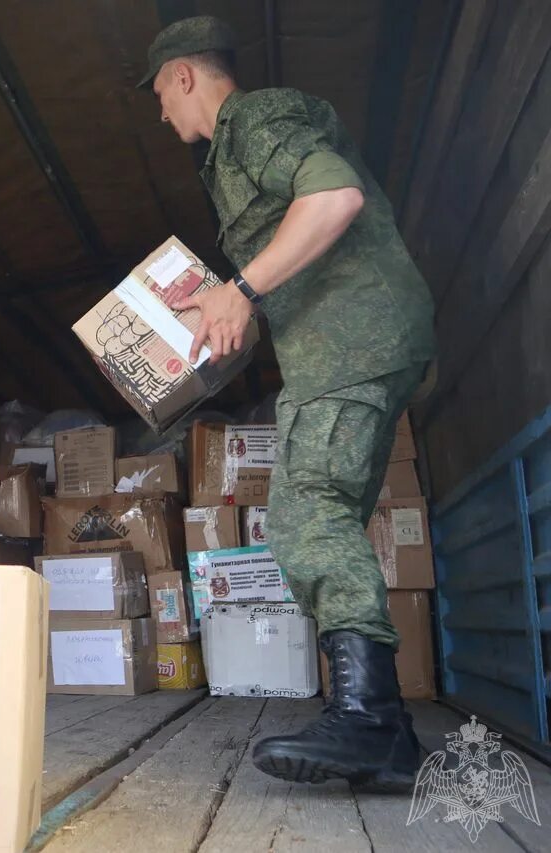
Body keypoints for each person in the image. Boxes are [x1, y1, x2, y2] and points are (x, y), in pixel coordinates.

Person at [139, 17, 435, 788]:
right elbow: (294, 248)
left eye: (160, 95)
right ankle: (384, 728)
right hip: (345, 346)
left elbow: (335, 195)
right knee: (323, 516)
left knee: (307, 515)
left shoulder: (256, 119)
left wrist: (241, 289)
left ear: (183, 76)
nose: (161, 113)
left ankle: (370, 721)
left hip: (353, 340)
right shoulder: (230, 155)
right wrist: (233, 308)